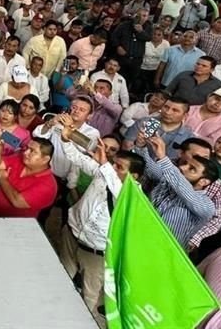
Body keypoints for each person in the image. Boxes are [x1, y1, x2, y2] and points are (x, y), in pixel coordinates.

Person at [57, 126, 145, 316]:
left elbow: (118, 191)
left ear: (134, 176)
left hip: (95, 252)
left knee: (89, 293)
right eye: (114, 163)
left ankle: (77, 320)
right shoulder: (102, 172)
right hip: (72, 235)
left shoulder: (134, 193)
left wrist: (105, 164)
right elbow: (78, 158)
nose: (113, 167)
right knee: (60, 276)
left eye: (119, 167)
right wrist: (65, 140)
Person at [140, 135, 217, 247]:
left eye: (192, 169)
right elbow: (147, 166)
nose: (182, 168)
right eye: (186, 164)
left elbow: (186, 192)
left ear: (203, 182)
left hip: (163, 253)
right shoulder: (167, 181)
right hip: (139, 235)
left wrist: (163, 157)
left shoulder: (206, 206)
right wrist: (141, 146)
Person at [0, 131, 57, 218]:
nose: (25, 153)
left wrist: (2, 179)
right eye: (27, 148)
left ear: (45, 159)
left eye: (32, 151)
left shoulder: (48, 185)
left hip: (16, 226)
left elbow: (17, 202)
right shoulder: (20, 159)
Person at [122, 97, 196, 161]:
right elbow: (126, 147)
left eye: (175, 110)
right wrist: (139, 146)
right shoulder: (145, 122)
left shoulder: (188, 137)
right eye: (166, 107)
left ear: (185, 115)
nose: (168, 112)